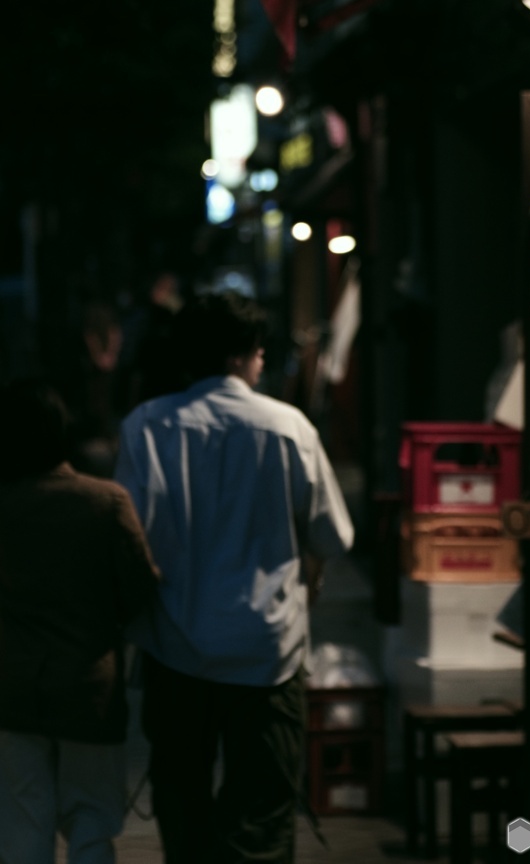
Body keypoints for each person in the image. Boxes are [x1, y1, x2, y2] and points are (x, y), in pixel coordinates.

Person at [114, 292, 354, 864]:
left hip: (175, 648)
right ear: (250, 354)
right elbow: (333, 537)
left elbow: (127, 535)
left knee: (182, 801)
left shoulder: (146, 427)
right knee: (262, 810)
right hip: (267, 652)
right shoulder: (289, 427)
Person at [0, 379, 160, 864]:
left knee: (23, 820)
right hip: (89, 687)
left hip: (11, 688)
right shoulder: (105, 501)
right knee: (91, 817)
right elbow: (140, 591)